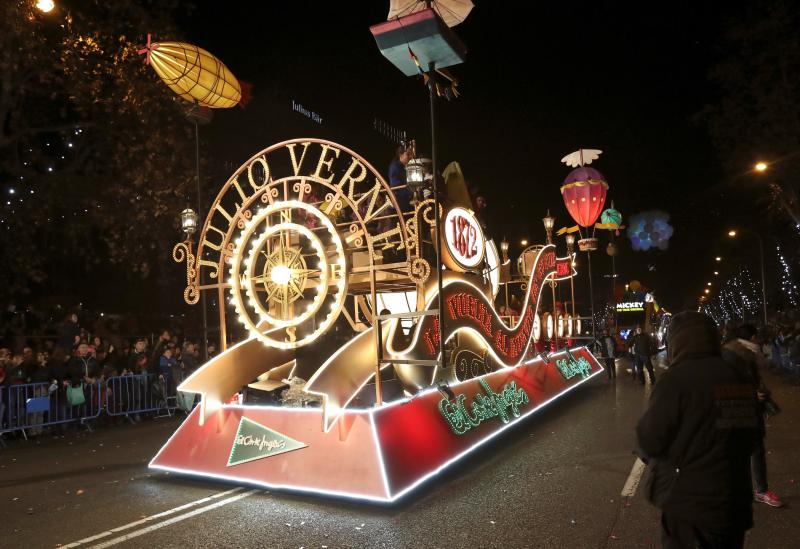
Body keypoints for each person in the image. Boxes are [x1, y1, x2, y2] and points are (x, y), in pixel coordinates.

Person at [636, 311, 759, 549]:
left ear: (676, 342)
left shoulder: (676, 380)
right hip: (734, 504)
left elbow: (649, 440)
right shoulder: (738, 376)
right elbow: (754, 438)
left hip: (689, 507)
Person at [722, 324, 783, 508]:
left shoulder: (744, 352)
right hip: (737, 409)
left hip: (750, 409)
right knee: (741, 452)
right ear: (751, 337)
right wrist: (750, 394)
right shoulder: (732, 355)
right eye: (756, 336)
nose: (758, 340)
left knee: (755, 450)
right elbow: (723, 384)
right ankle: (749, 491)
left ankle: (759, 490)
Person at [387, 141, 414, 211]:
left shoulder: (403, 167)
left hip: (404, 200)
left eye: (411, 155)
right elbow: (396, 185)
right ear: (400, 155)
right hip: (399, 202)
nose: (410, 157)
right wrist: (412, 192)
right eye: (407, 154)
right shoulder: (395, 167)